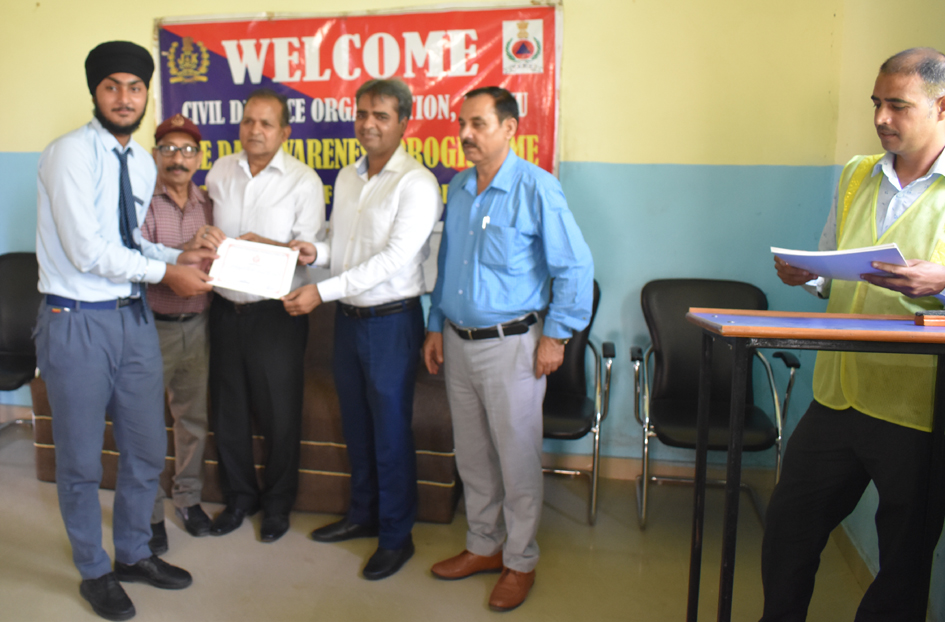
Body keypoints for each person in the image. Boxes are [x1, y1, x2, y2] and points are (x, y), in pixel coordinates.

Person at [35, 41, 214, 621]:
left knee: (146, 448)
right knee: (82, 462)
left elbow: (129, 241)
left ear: (146, 95)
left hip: (133, 319)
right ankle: (94, 570)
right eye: (112, 86)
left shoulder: (140, 159)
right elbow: (88, 251)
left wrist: (179, 255)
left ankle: (134, 552)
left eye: (135, 88)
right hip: (76, 321)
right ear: (95, 92)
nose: (124, 97)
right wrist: (167, 274)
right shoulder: (68, 154)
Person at [766, 47, 945, 621]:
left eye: (898, 105)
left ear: (941, 107)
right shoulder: (857, 174)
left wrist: (941, 282)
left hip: (915, 406)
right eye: (876, 103)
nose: (881, 118)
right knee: (788, 527)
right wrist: (811, 274)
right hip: (838, 393)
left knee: (904, 559)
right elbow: (836, 265)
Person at [422, 87, 594, 611]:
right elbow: (447, 261)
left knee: (516, 459)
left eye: (478, 124)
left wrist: (556, 337)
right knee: (473, 456)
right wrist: (435, 324)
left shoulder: (537, 188)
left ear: (509, 128)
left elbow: (575, 268)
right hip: (458, 341)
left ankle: (520, 561)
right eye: (462, 124)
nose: (465, 134)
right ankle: (483, 545)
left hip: (512, 346)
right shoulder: (459, 187)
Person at [283, 78, 442, 579]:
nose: (368, 124)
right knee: (357, 426)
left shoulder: (416, 183)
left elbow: (393, 260)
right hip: (349, 323)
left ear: (403, 123)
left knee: (390, 433)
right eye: (362, 114)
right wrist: (315, 252)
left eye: (381, 116)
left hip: (391, 323)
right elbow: (346, 248)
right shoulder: (348, 177)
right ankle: (363, 515)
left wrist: (321, 292)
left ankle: (396, 537)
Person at [205, 88, 325, 543]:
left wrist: (266, 245)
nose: (255, 130)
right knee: (229, 410)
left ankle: (277, 505)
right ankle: (239, 499)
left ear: (285, 132)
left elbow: (309, 253)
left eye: (266, 123)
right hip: (224, 309)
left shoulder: (303, 181)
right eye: (248, 121)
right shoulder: (220, 171)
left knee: (280, 414)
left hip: (276, 314)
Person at [142, 114, 224, 554]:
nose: (179, 158)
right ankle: (150, 512)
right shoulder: (141, 202)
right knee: (145, 423)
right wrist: (182, 256)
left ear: (199, 157)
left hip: (199, 325)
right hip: (151, 328)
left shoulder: (208, 204)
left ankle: (188, 500)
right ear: (156, 154)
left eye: (188, 150)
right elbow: (134, 263)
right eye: (169, 149)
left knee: (192, 420)